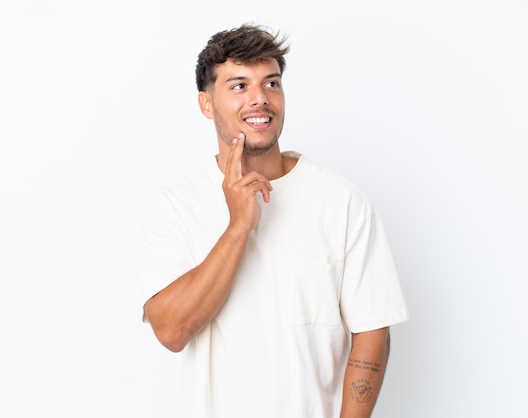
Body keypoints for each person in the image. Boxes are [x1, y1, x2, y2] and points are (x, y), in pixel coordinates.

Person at [138, 23, 409, 418]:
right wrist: (237, 227)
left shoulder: (341, 201)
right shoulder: (174, 205)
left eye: (271, 83)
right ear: (206, 104)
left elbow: (372, 331)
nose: (259, 99)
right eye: (238, 86)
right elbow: (172, 331)